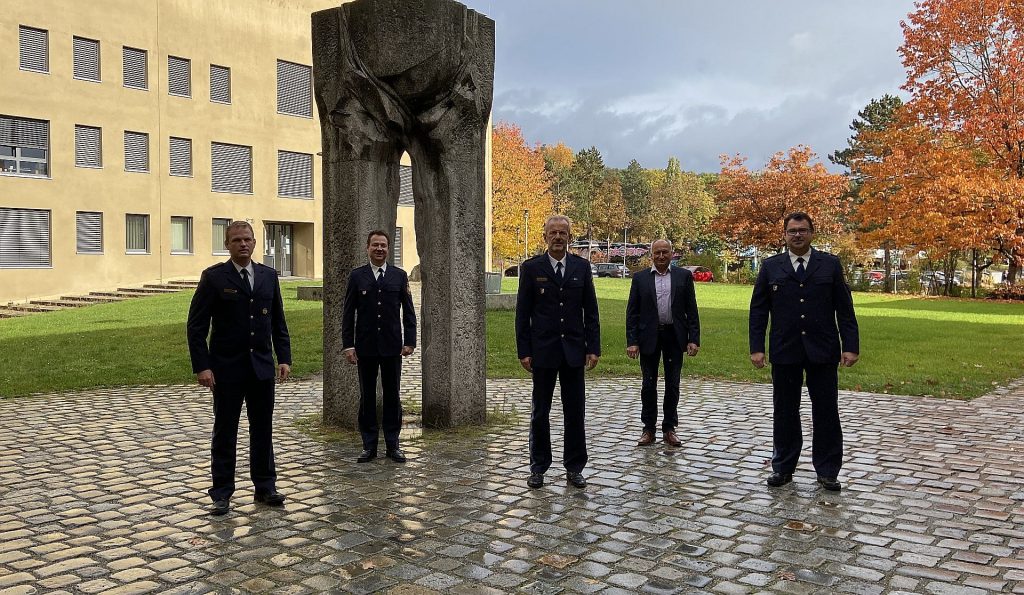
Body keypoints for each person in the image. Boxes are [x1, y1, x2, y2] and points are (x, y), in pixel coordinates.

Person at [749, 211, 859, 492]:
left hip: (823, 350)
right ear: (784, 235)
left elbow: (845, 310)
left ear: (812, 233)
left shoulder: (830, 265)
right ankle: (783, 467)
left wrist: (851, 346)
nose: (798, 235)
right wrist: (757, 348)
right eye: (792, 231)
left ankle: (828, 471)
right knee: (785, 411)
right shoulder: (771, 266)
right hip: (786, 350)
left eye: (803, 230)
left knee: (826, 412)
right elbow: (759, 311)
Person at [187, 221, 291, 516]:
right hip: (226, 369)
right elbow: (196, 326)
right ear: (227, 244)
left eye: (247, 239)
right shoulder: (214, 278)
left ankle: (265, 486)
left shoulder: (269, 277)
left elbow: (278, 323)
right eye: (236, 240)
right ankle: (221, 492)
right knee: (225, 430)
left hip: (261, 368)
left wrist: (283, 358)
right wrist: (203, 366)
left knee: (262, 429)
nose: (242, 244)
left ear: (255, 242)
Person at [515, 215, 600, 489]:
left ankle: (575, 467)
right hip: (543, 352)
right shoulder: (531, 269)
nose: (558, 238)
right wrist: (524, 351)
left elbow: (591, 311)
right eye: (553, 233)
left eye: (563, 233)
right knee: (541, 412)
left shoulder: (581, 267)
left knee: (575, 412)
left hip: (574, 351)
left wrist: (593, 347)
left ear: (570, 238)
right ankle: (538, 466)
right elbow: (522, 314)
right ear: (545, 237)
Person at [342, 230, 417, 464]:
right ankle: (369, 444)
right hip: (365, 347)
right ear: (367, 248)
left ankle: (393, 444)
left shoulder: (399, 276)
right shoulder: (357, 277)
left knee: (392, 396)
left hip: (392, 346)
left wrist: (410, 341)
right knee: (367, 397)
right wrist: (348, 345)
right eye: (375, 245)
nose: (379, 249)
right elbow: (347, 314)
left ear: (388, 249)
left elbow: (409, 311)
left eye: (383, 245)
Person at [625, 239, 700, 447]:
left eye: (664, 252)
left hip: (674, 336)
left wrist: (693, 338)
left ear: (671, 253)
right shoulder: (640, 278)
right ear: (651, 254)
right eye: (657, 252)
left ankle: (669, 428)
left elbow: (691, 309)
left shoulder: (683, 276)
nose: (660, 256)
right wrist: (632, 341)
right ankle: (648, 429)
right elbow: (632, 312)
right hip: (648, 336)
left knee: (672, 384)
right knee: (648, 384)